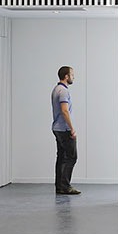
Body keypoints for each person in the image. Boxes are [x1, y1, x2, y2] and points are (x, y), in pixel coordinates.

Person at [51, 66, 80, 195]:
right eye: (72, 74)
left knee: (62, 157)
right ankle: (65, 186)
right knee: (72, 157)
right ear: (66, 76)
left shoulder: (56, 89)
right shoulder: (63, 91)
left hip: (57, 128)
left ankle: (60, 187)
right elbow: (65, 111)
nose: (74, 77)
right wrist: (72, 129)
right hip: (64, 129)